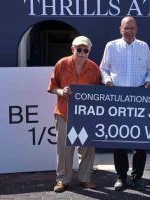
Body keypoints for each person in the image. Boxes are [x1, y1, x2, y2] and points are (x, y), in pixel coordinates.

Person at [99, 16, 150, 191]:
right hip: (118, 98)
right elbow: (103, 68)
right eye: (126, 28)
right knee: (120, 141)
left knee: (140, 143)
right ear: (120, 29)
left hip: (139, 98)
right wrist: (107, 80)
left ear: (136, 29)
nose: (129, 31)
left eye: (132, 28)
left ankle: (137, 178)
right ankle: (121, 177)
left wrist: (148, 81)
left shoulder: (143, 46)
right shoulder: (111, 46)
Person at [47, 36, 101, 192]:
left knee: (87, 147)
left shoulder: (93, 67)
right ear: (72, 49)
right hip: (64, 113)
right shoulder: (61, 64)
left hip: (85, 115)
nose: (82, 52)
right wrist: (61, 92)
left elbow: (98, 92)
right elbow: (52, 86)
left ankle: (85, 178)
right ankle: (62, 179)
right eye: (79, 49)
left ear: (89, 51)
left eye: (86, 50)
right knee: (64, 149)